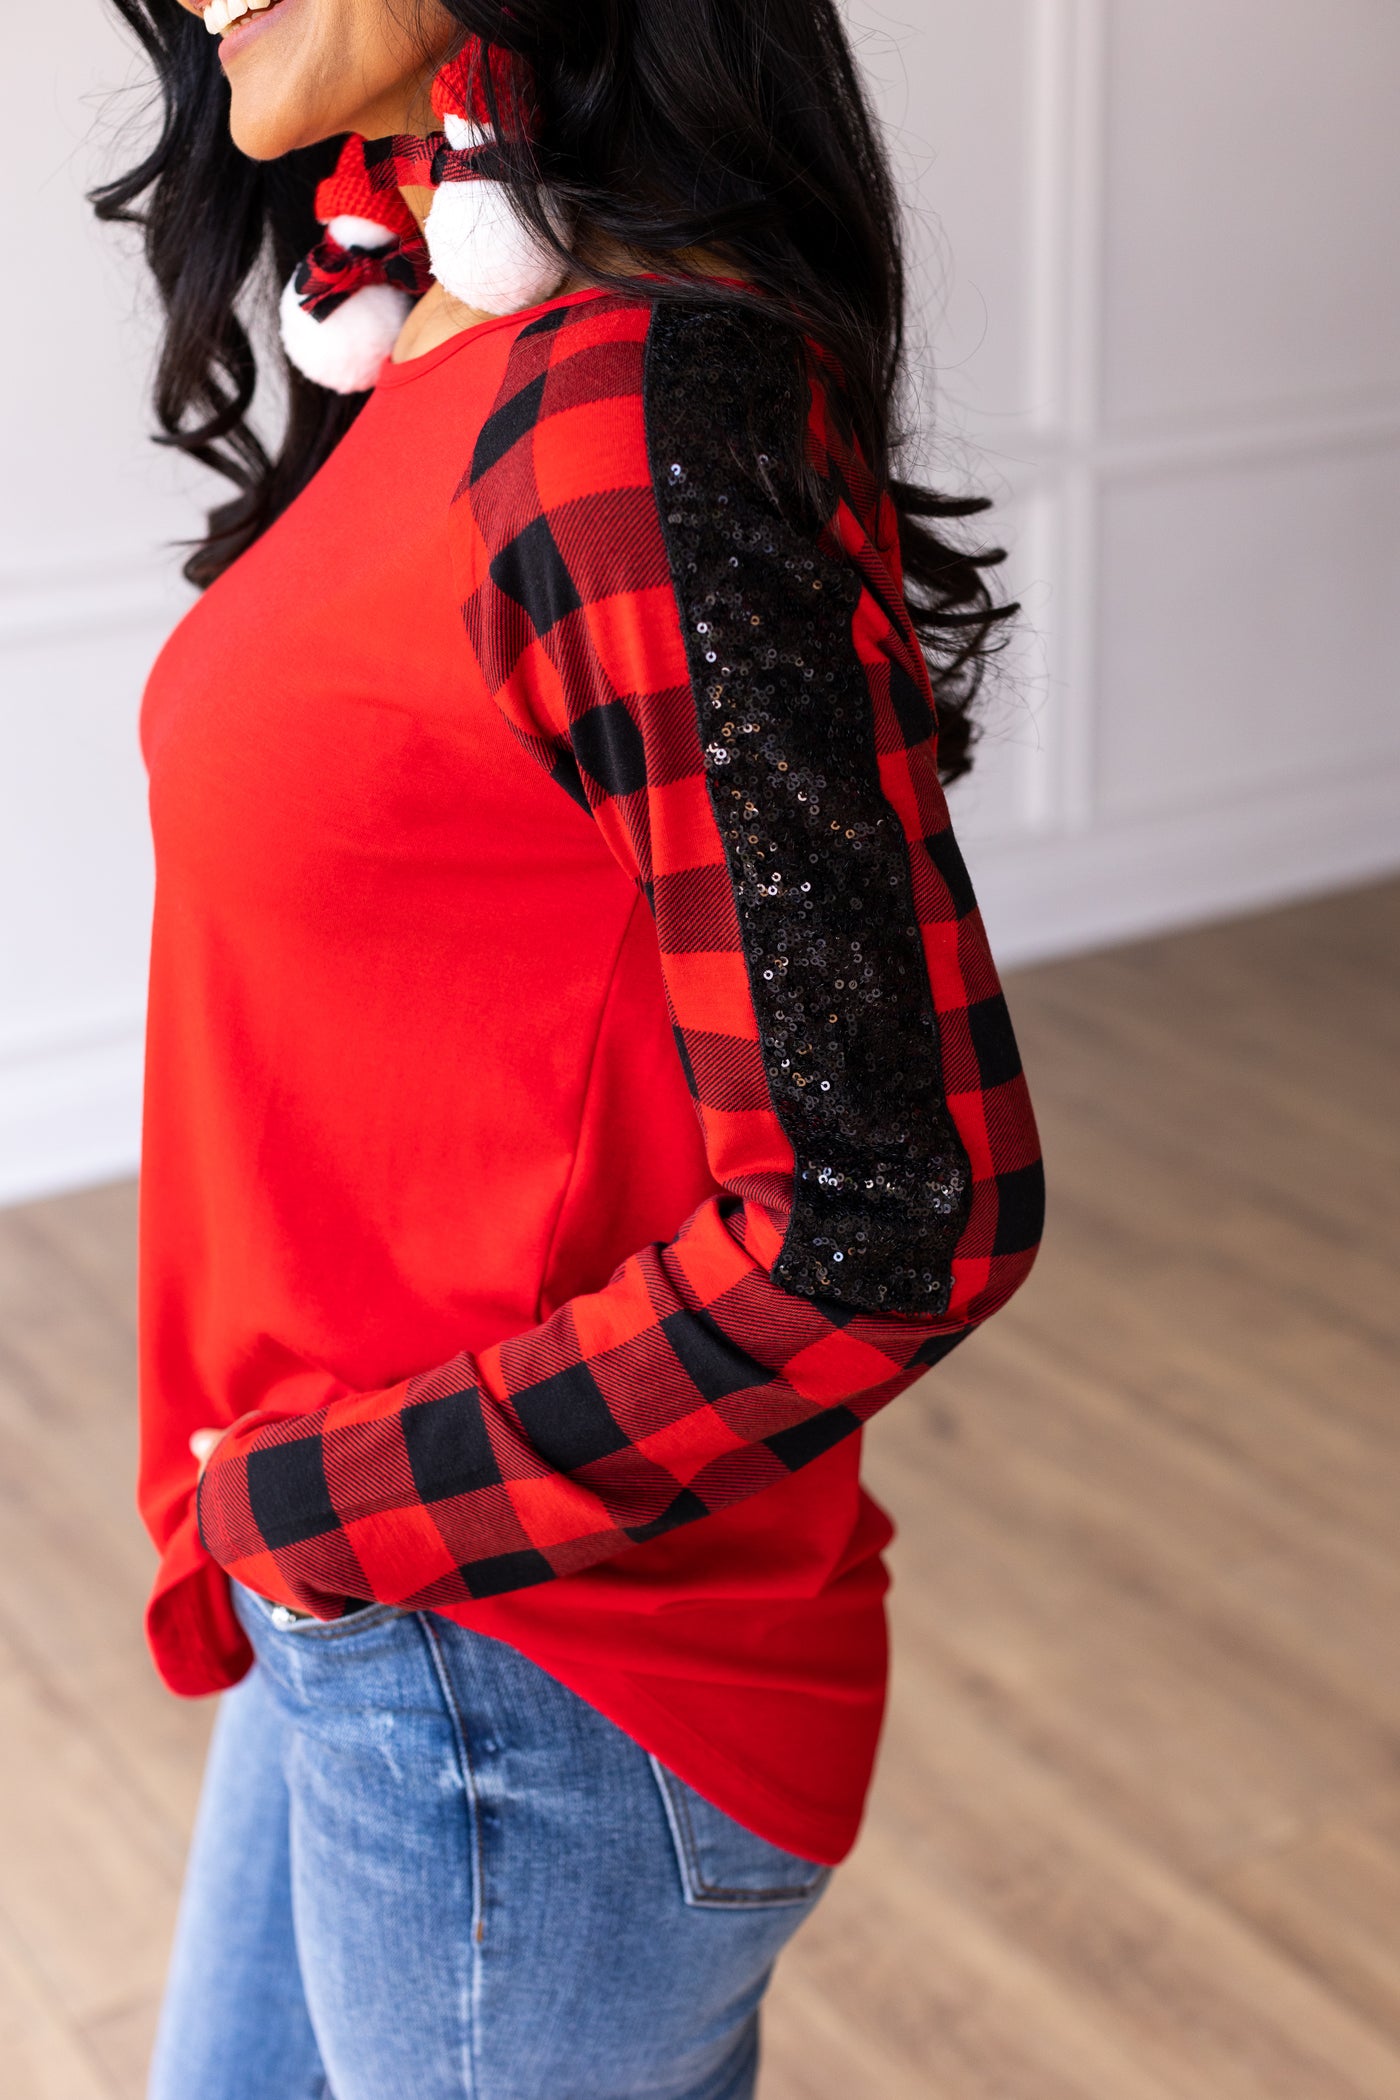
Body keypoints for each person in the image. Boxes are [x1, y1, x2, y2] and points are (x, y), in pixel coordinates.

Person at [95, 1, 1044, 2094]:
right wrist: (306, 1529)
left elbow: (895, 1211)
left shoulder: (621, 413)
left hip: (526, 1674)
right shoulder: (446, 352)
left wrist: (329, 1509)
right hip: (370, 1584)